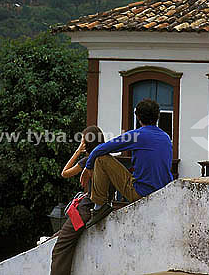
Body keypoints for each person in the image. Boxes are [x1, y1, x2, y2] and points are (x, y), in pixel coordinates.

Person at [81, 98, 173, 228]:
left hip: (141, 192)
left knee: (101, 159)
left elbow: (99, 149)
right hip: (163, 192)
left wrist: (88, 166)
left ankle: (99, 206)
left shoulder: (137, 135)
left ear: (138, 118)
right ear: (158, 116)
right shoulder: (166, 137)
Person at [50, 125, 105, 275]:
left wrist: (78, 151)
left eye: (82, 140)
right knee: (60, 236)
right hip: (93, 207)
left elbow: (65, 173)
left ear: (87, 143)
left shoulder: (88, 160)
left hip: (84, 210)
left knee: (60, 248)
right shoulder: (104, 157)